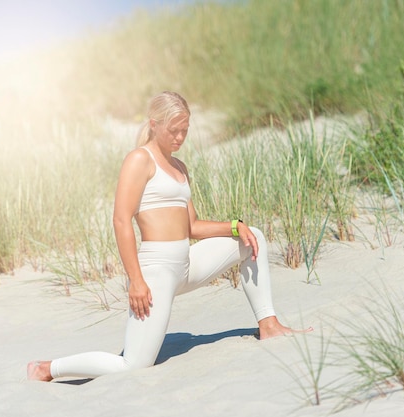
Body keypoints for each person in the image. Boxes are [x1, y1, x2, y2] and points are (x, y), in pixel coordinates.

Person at [27, 91, 310, 382]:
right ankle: (47, 368)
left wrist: (236, 226)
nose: (179, 137)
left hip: (186, 264)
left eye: (185, 131)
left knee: (254, 238)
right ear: (154, 124)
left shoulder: (179, 168)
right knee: (134, 365)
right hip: (155, 272)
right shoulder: (140, 160)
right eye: (173, 130)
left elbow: (193, 227)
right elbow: (121, 220)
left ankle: (269, 324)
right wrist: (136, 280)